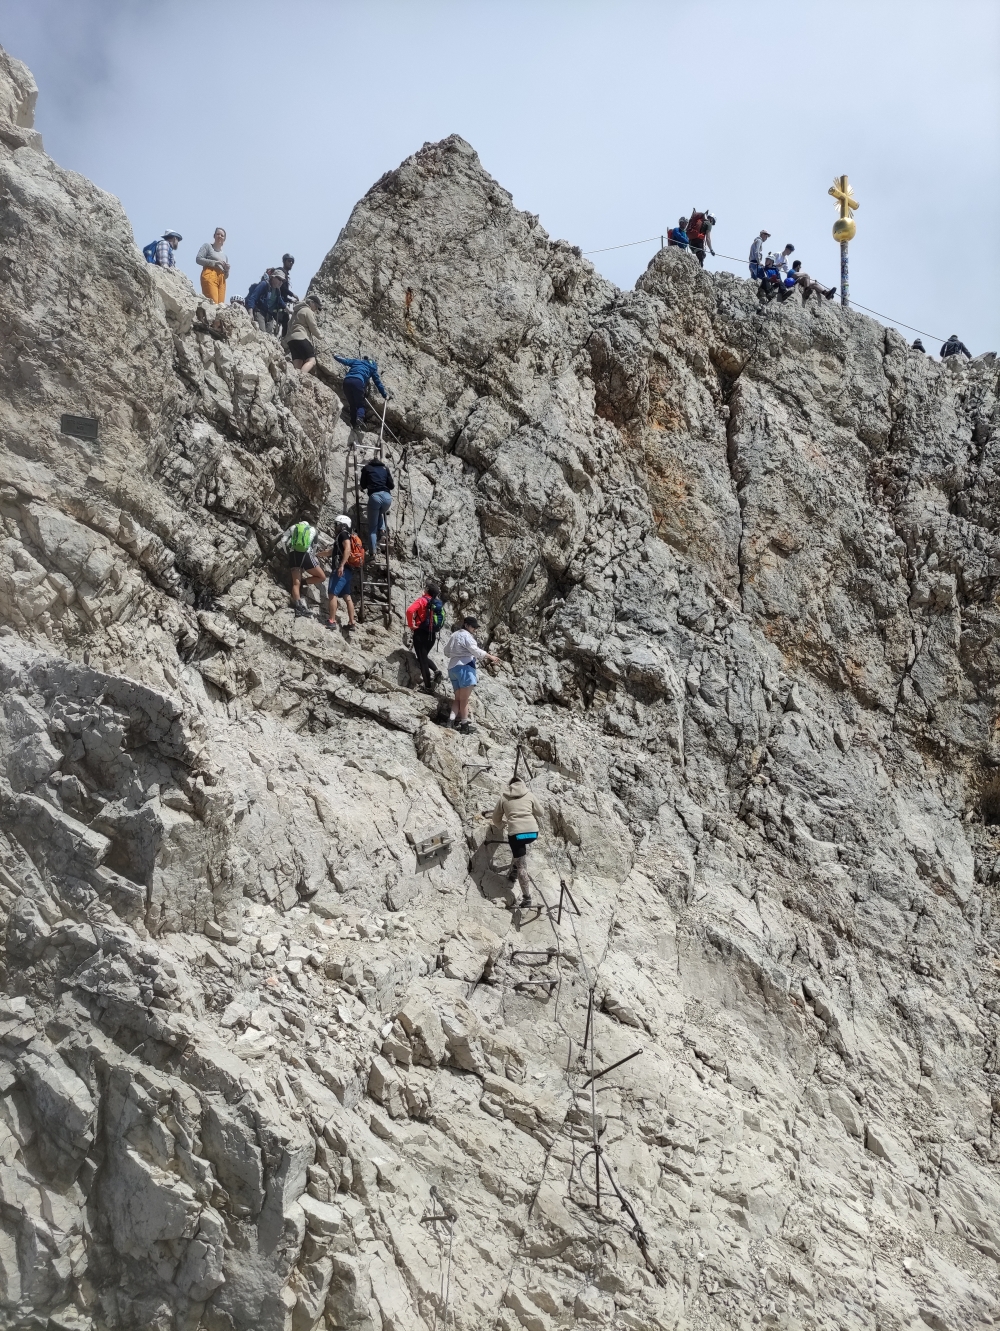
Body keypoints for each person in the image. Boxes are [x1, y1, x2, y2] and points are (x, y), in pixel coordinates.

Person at [491, 777, 543, 909]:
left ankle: (527, 898)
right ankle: (513, 871)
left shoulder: (504, 798)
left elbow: (495, 819)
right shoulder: (529, 794)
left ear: (510, 786)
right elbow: (540, 812)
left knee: (522, 866)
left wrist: (502, 825)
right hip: (533, 833)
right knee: (519, 854)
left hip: (517, 834)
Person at [443, 616, 498, 734]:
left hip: (452, 668)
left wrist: (455, 655)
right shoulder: (467, 636)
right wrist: (490, 656)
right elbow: (475, 650)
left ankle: (450, 721)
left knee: (457, 698)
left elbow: (446, 651)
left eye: (476, 627)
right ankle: (464, 725)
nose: (475, 629)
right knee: (464, 700)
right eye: (473, 626)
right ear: (466, 625)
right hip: (465, 668)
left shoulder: (454, 635)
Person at [405, 581, 444, 693]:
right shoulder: (437, 603)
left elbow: (410, 611)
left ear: (427, 590)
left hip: (421, 633)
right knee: (423, 657)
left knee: (422, 660)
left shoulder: (422, 600)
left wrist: (411, 625)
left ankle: (428, 688)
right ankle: (436, 672)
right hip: (432, 634)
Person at [282, 519, 326, 616]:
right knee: (322, 577)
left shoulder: (293, 527)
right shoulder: (313, 530)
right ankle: (304, 582)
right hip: (305, 556)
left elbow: (283, 540)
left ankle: (298, 608)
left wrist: (287, 553)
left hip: (293, 555)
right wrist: (312, 557)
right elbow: (314, 546)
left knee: (295, 583)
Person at [333, 355, 390, 430]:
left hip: (346, 382)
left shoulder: (357, 362)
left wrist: (336, 356)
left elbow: (345, 360)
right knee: (360, 404)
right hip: (358, 382)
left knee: (352, 405)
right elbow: (378, 383)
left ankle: (354, 424)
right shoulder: (372, 368)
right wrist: (384, 395)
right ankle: (359, 419)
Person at [359, 455, 394, 557]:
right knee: (379, 512)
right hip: (387, 498)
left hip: (375, 497)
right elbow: (391, 486)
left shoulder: (367, 468)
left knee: (372, 529)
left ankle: (372, 553)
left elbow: (363, 485)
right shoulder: (385, 468)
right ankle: (382, 530)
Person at [326, 516, 357, 631]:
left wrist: (341, 565)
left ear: (343, 525)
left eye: (337, 524)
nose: (335, 526)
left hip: (341, 570)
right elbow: (331, 552)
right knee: (347, 596)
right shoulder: (343, 536)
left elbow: (347, 549)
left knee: (332, 594)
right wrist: (318, 554)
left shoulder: (343, 535)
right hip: (348, 572)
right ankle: (351, 623)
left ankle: (332, 621)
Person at [285, 293, 322, 374]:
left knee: (298, 361)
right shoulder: (307, 310)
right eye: (316, 306)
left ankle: (295, 378)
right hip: (301, 338)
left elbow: (289, 324)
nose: (316, 309)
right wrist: (321, 336)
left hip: (291, 340)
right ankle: (301, 377)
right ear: (311, 303)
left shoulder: (296, 311)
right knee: (311, 360)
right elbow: (313, 327)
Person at [196, 228, 230, 304]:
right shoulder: (207, 246)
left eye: (222, 235)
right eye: (218, 234)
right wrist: (214, 263)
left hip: (221, 279)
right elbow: (198, 259)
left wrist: (227, 270)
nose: (220, 236)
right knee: (213, 302)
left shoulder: (225, 256)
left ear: (224, 239)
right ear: (214, 236)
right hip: (210, 274)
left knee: (220, 305)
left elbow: (226, 276)